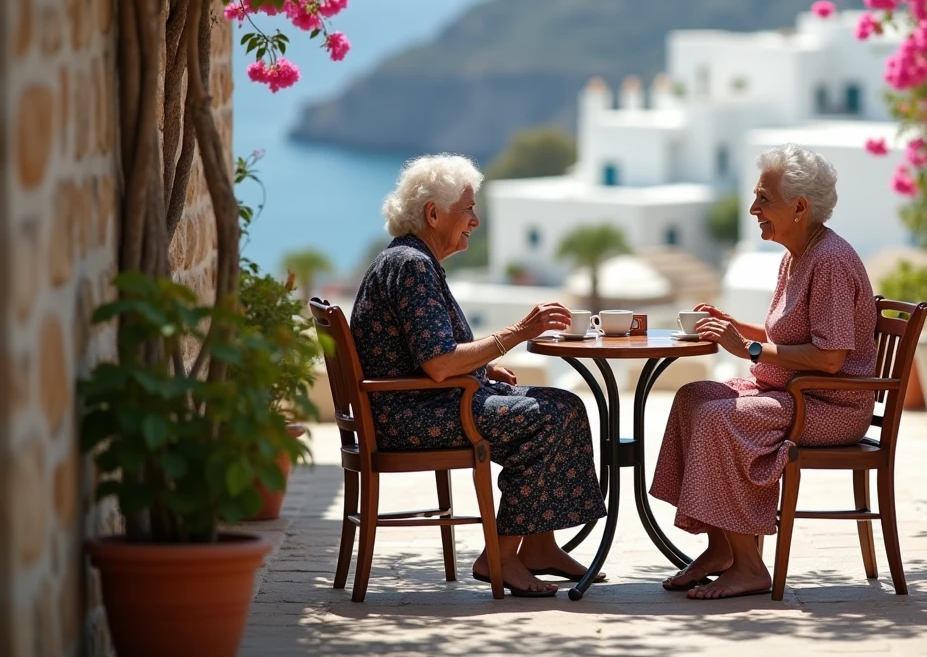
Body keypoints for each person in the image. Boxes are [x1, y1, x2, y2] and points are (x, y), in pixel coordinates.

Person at [351, 154, 606, 597]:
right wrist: (517, 333)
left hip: (415, 405)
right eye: (467, 209)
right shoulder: (412, 266)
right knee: (549, 417)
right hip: (410, 415)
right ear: (433, 213)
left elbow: (427, 352)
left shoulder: (407, 260)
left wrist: (484, 367)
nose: (475, 219)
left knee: (564, 404)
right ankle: (499, 558)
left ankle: (539, 548)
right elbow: (438, 362)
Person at [650, 144, 878, 600]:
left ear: (799, 207)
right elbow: (793, 335)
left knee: (721, 419)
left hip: (828, 404)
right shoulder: (797, 254)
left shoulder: (829, 260)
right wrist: (732, 327)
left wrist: (749, 348)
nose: (754, 209)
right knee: (694, 397)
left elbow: (831, 359)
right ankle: (721, 549)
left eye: (763, 199)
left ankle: (751, 567)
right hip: (795, 394)